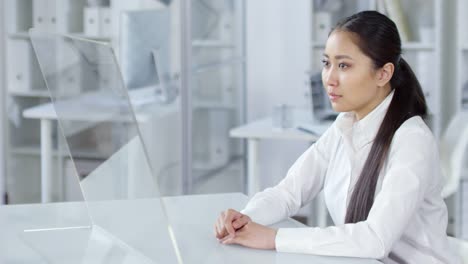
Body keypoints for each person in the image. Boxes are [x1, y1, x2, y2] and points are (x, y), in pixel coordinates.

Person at [213, 11, 460, 264]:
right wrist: (245, 218)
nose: (329, 79)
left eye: (343, 65)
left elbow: (374, 239)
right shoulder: (344, 127)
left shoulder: (412, 140)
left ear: (383, 74)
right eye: (326, 63)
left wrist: (273, 238)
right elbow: (287, 194)